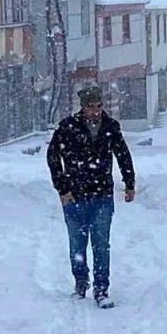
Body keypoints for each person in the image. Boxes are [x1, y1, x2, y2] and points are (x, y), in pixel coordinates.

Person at [46, 86, 136, 307]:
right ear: (82, 107)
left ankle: (101, 289)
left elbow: (123, 154)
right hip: (74, 196)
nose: (95, 111)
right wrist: (63, 188)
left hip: (102, 195)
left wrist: (129, 182)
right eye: (90, 107)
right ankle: (81, 282)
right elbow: (53, 157)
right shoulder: (67, 128)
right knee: (77, 244)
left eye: (98, 106)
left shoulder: (110, 127)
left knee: (101, 244)